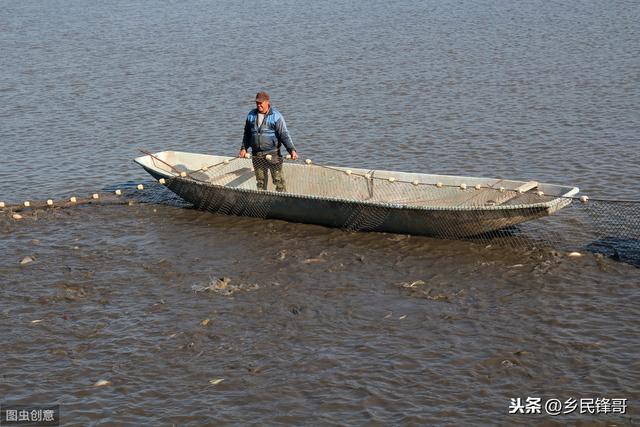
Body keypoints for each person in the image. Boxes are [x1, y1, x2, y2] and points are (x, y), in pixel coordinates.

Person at [239, 91, 298, 192]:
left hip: (273, 154)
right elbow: (247, 134)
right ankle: (262, 201)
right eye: (257, 103)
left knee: (278, 181)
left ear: (267, 102)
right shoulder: (251, 115)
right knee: (260, 182)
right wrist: (243, 148)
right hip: (257, 154)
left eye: (261, 103)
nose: (259, 105)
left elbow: (284, 135)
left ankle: (283, 201)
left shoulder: (276, 116)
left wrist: (291, 150)